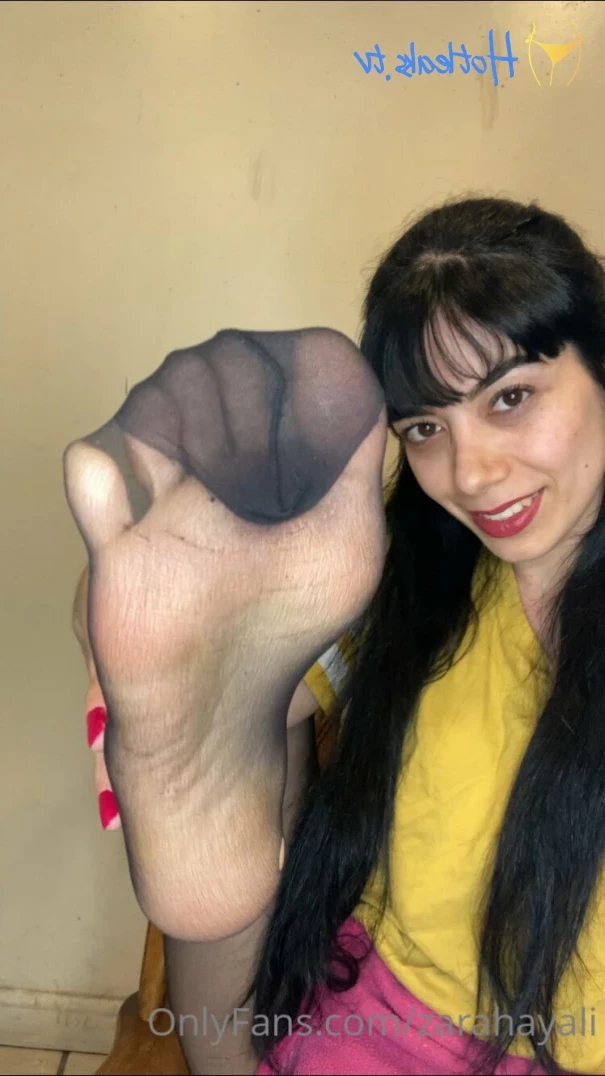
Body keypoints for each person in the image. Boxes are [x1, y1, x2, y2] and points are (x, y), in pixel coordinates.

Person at [66, 196, 605, 1076]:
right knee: (258, 718)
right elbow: (236, 667)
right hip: (363, 1009)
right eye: (424, 428)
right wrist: (149, 652)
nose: (469, 474)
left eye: (510, 398)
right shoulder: (419, 580)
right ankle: (218, 811)